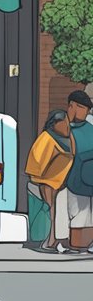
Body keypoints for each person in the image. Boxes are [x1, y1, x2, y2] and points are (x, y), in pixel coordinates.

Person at [26, 109, 77, 252]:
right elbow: (36, 162)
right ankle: (49, 242)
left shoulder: (67, 139)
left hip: (61, 183)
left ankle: (56, 241)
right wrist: (39, 181)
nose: (67, 126)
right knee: (52, 211)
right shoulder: (47, 138)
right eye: (64, 123)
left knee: (59, 212)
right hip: (47, 182)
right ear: (54, 124)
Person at [63, 90, 93, 252]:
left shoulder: (90, 128)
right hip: (74, 179)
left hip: (89, 178)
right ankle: (77, 243)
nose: (85, 112)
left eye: (86, 109)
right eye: (81, 107)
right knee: (77, 212)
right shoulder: (63, 127)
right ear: (71, 106)